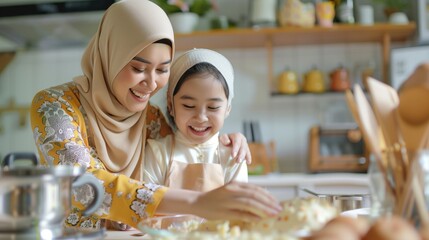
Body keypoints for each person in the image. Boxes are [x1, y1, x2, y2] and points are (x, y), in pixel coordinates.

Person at [30, 0, 281, 231]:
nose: (151, 84)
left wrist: (227, 140)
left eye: (162, 70)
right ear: (110, 55)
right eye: (138, 68)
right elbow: (86, 185)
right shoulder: (55, 106)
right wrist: (197, 201)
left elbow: (188, 145)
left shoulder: (150, 118)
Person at [143, 48, 247, 192]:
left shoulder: (232, 156)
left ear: (228, 108)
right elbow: (147, 206)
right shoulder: (157, 154)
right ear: (170, 104)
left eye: (213, 107)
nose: (201, 117)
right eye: (189, 105)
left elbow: (238, 210)